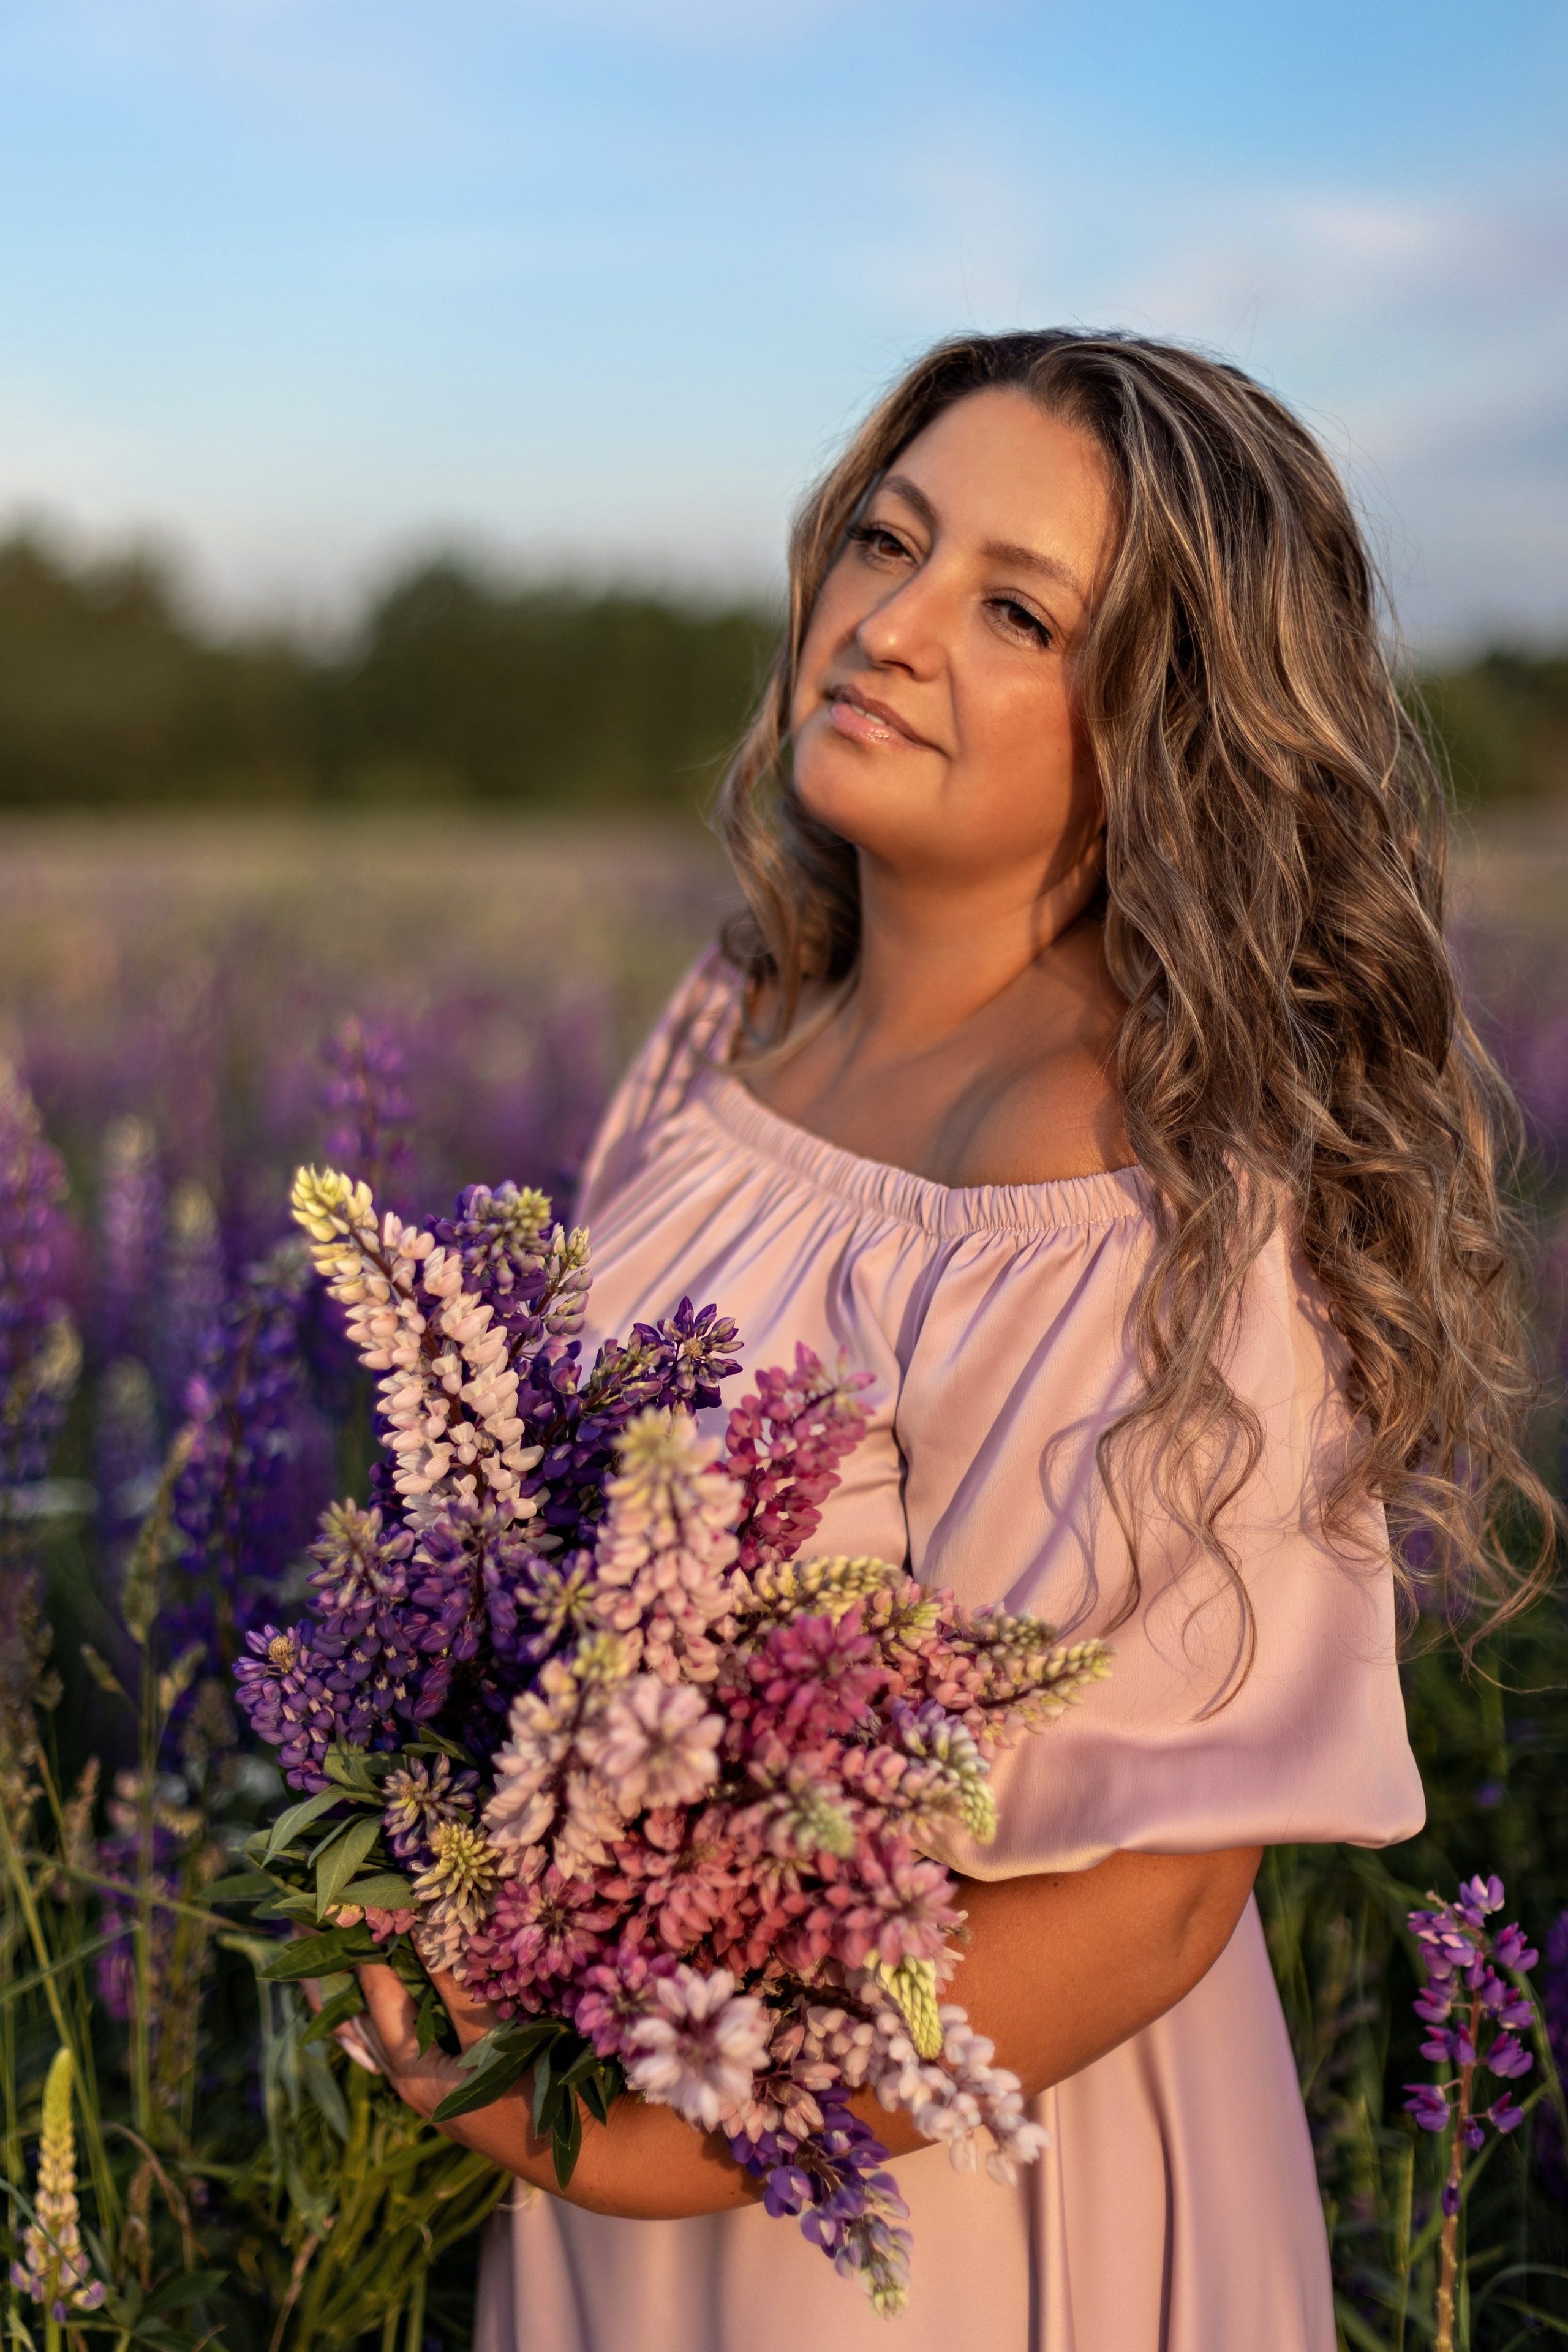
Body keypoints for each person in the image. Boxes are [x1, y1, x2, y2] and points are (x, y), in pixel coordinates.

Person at [341, 330, 1553, 2350]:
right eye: (883, 544)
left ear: (1169, 726)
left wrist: (662, 2154)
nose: (891, 628)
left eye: (1015, 608)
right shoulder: (736, 1027)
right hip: (613, 2100)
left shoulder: (1136, 1182)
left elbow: (1154, 1899)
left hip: (926, 2210)